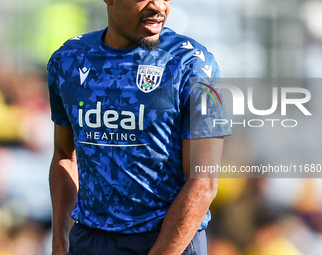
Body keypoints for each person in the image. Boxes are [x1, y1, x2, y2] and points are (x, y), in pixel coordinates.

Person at [47, 0, 231, 254]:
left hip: (168, 241)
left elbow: (204, 181)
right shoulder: (67, 61)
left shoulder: (194, 64)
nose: (159, 6)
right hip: (89, 241)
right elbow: (64, 156)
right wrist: (59, 244)